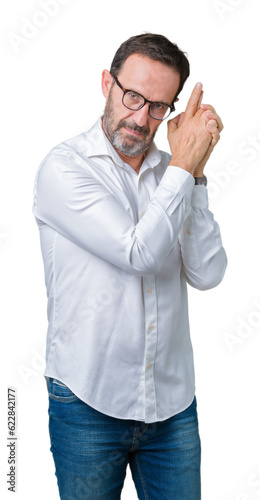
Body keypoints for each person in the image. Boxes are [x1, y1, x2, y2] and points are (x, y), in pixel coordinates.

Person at [33, 33, 227, 500]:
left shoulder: (173, 173)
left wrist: (195, 174)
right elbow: (137, 252)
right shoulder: (64, 169)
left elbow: (208, 273)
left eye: (159, 106)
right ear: (107, 84)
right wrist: (185, 165)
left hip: (173, 406)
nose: (142, 119)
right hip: (87, 402)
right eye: (133, 97)